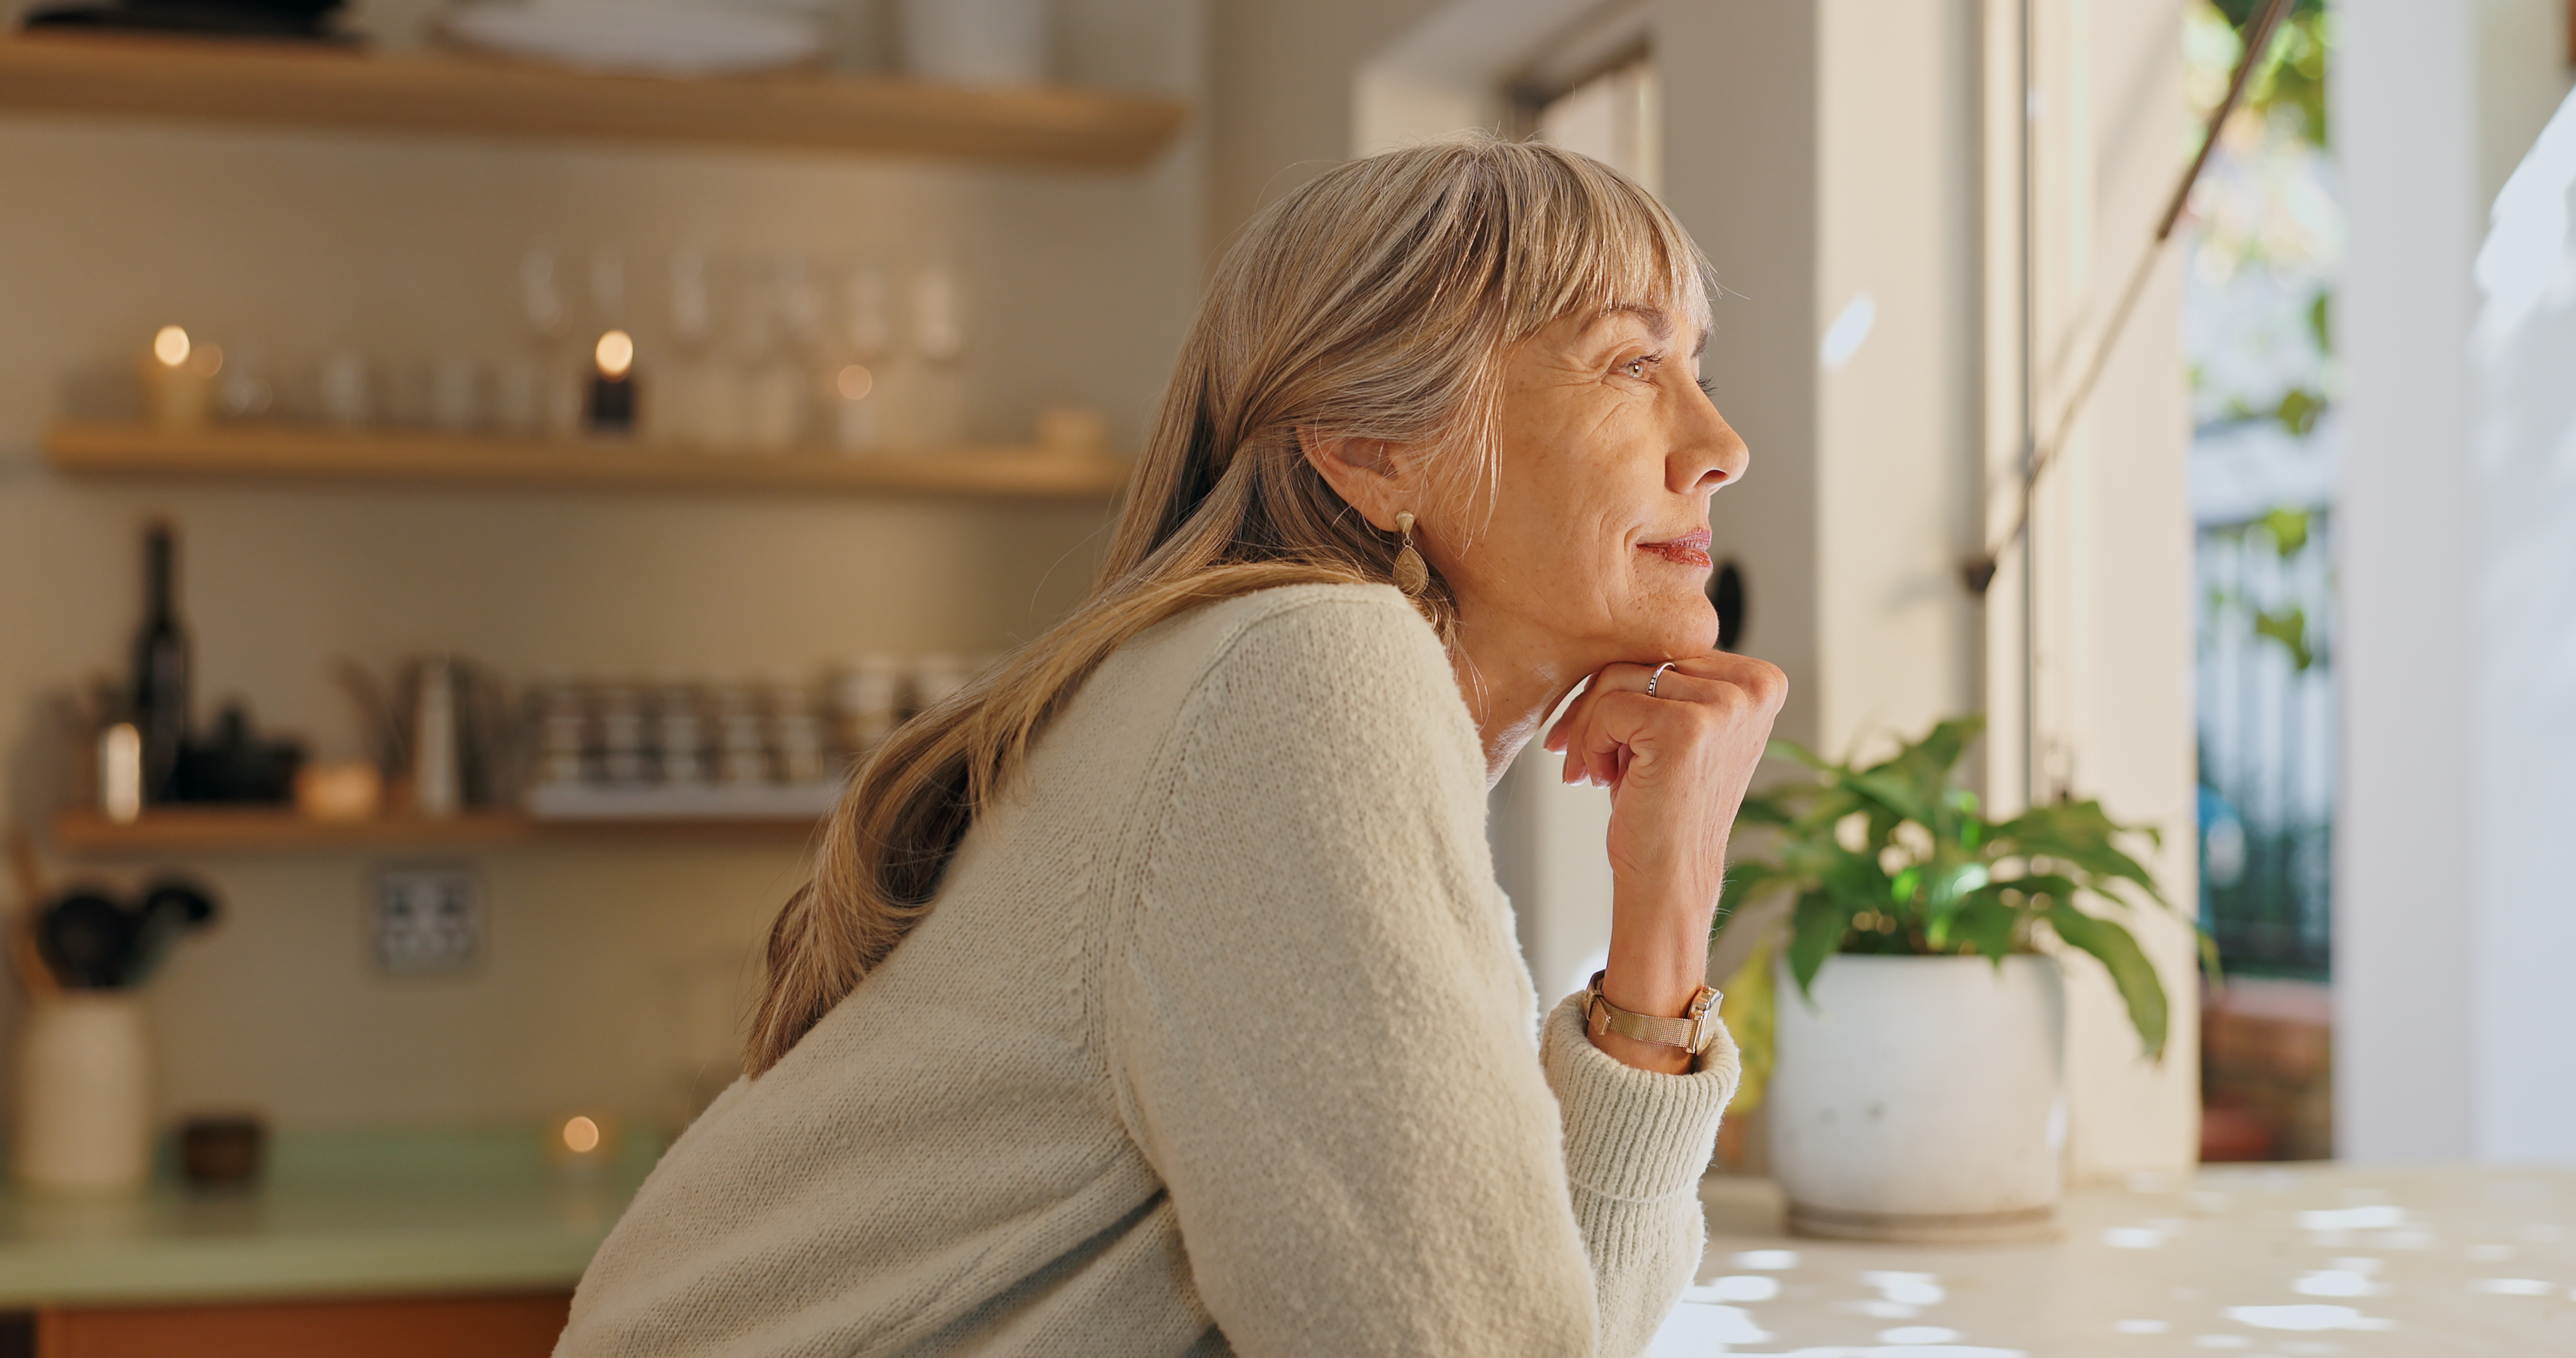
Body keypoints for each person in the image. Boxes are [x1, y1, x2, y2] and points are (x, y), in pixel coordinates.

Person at [556, 136, 1786, 1358]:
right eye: (1631, 363)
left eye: (1695, 365)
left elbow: (1549, 1321)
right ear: (1370, 452)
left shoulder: (1268, 681)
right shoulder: (1304, 665)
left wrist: (1664, 903)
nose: (1719, 442)